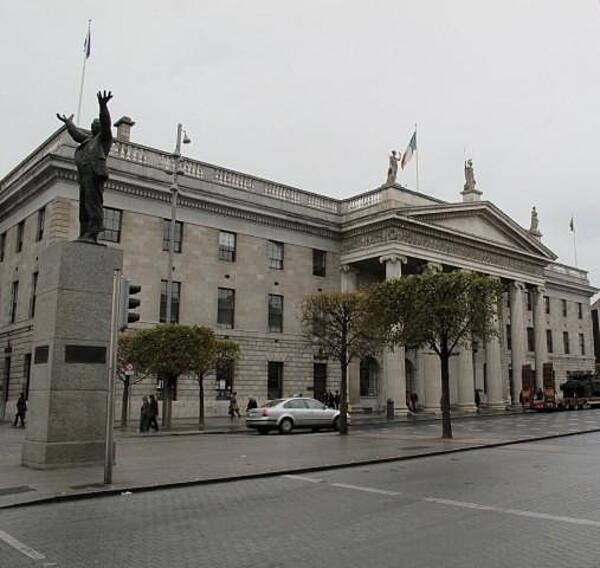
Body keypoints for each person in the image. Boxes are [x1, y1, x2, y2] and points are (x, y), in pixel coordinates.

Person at [56, 90, 114, 243]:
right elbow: (76, 134)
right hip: (84, 175)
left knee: (93, 204)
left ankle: (94, 231)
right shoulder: (89, 139)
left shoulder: (104, 139)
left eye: (97, 123)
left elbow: (106, 121)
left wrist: (102, 106)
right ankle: (84, 232)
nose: (94, 124)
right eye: (92, 123)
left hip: (95, 174)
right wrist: (69, 123)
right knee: (84, 205)